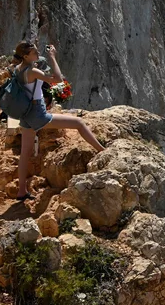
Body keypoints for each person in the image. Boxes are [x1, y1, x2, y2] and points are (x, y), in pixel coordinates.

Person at [10, 41, 104, 200]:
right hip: (38, 115)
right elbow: (58, 79)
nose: (37, 53)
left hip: (25, 114)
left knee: (25, 153)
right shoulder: (32, 71)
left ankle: (21, 191)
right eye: (33, 52)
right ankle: (102, 151)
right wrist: (52, 57)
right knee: (78, 123)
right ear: (26, 56)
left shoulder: (18, 69)